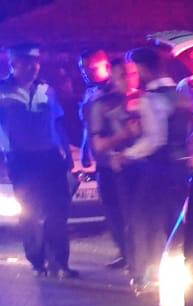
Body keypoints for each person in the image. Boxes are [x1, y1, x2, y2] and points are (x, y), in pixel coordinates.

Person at [111, 47, 193, 293]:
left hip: (158, 169)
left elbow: (154, 140)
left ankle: (145, 276)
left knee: (143, 222)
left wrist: (126, 154)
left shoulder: (150, 99)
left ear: (143, 68)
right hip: (182, 168)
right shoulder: (181, 95)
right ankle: (184, 273)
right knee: (177, 223)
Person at [0, 42, 74, 278]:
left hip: (50, 158)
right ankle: (37, 261)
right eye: (26, 63)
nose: (33, 67)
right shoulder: (2, 91)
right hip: (21, 159)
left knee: (58, 211)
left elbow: (57, 123)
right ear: (13, 64)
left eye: (36, 62)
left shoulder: (47, 90)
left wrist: (66, 153)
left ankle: (60, 261)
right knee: (30, 214)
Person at [83, 56, 136, 272]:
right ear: (112, 77)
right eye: (123, 75)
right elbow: (97, 141)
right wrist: (124, 135)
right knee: (116, 215)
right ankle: (127, 255)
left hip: (137, 168)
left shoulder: (141, 99)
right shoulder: (102, 103)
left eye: (132, 74)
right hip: (110, 168)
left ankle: (136, 257)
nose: (129, 79)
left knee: (136, 216)